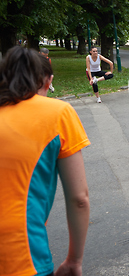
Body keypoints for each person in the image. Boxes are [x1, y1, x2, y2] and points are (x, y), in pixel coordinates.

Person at [0, 47, 90, 276]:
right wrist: (74, 260)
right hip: (21, 256)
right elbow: (79, 198)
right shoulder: (57, 113)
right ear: (48, 81)